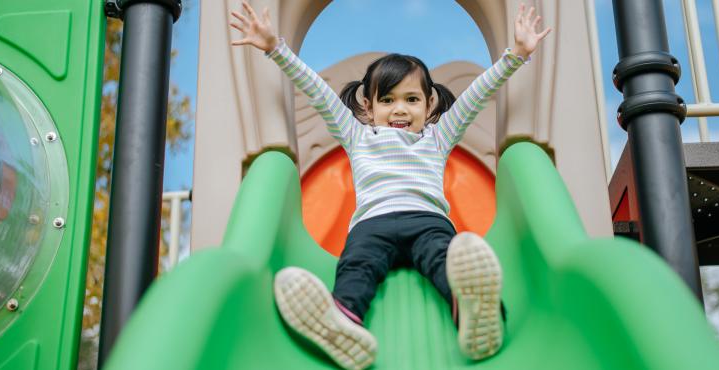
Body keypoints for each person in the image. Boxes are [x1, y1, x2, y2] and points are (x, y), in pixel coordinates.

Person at [230, 3, 550, 369]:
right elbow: (316, 91)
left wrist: (516, 55)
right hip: (372, 225)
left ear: (430, 105)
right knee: (356, 268)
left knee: (445, 259)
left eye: (411, 99)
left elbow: (477, 96)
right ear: (367, 106)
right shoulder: (356, 135)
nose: (400, 109)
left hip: (427, 221)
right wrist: (276, 49)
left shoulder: (438, 137)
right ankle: (344, 322)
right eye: (388, 99)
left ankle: (476, 313)